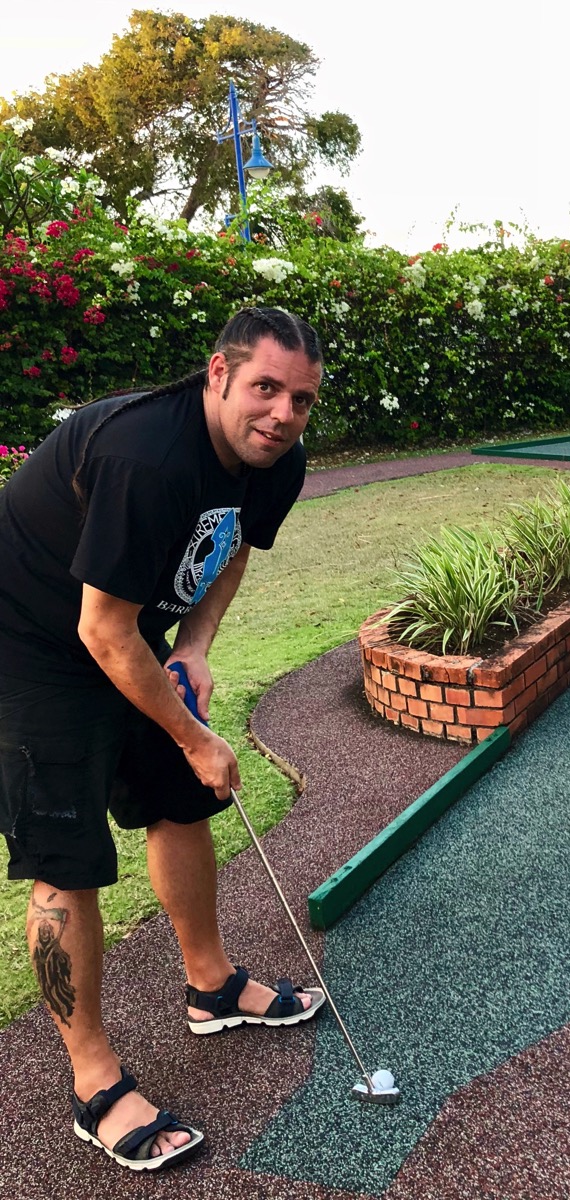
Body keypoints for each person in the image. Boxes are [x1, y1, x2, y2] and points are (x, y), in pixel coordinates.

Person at [0, 306, 328, 1171]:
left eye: (300, 399)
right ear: (217, 373)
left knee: (183, 802)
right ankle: (93, 1083)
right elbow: (99, 633)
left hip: (128, 631)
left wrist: (193, 646)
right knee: (64, 859)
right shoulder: (145, 456)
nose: (282, 414)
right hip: (31, 645)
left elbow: (235, 548)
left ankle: (211, 985)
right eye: (265, 388)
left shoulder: (277, 459)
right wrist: (192, 735)